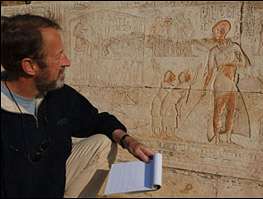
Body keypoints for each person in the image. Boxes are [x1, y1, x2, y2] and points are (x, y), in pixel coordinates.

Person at [1, 14, 155, 198]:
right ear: (30, 66)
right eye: (58, 56)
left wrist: (128, 142)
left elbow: (96, 120)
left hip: (51, 185)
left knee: (103, 143)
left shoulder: (56, 94)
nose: (67, 62)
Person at [201, 20, 250, 145]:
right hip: (221, 81)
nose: (213, 35)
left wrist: (228, 63)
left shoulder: (234, 47)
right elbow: (210, 71)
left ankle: (228, 138)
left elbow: (244, 63)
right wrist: (204, 88)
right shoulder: (213, 51)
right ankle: (217, 138)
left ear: (222, 32)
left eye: (215, 33)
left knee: (231, 110)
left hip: (231, 81)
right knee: (218, 109)